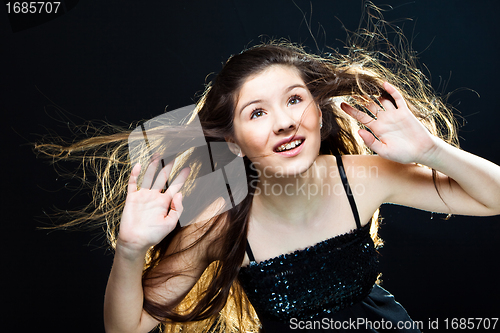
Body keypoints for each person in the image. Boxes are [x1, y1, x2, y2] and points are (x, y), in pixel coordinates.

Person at [36, 13, 500, 333]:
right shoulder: (221, 219)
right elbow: (127, 328)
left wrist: (431, 150)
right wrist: (131, 250)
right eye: (257, 113)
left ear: (319, 114)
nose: (283, 121)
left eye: (295, 100)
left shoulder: (364, 176)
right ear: (233, 140)